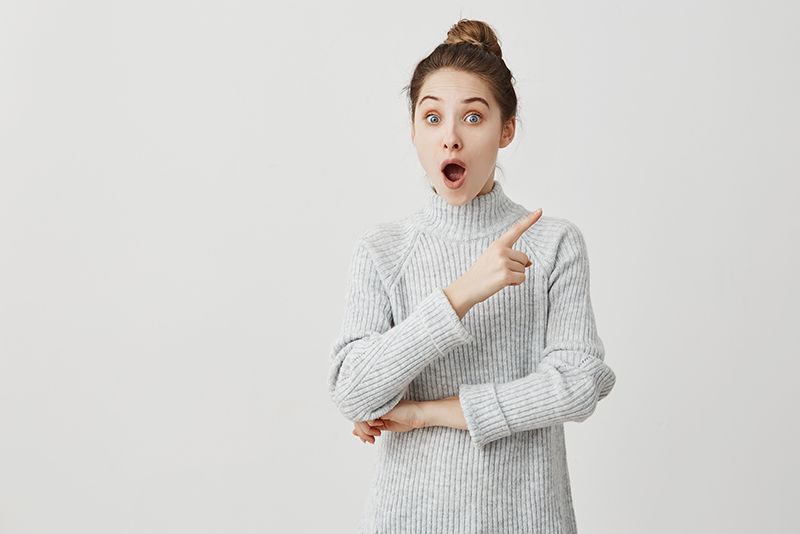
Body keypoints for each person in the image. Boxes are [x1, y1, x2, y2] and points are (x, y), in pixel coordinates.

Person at [328, 19, 616, 533]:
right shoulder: (382, 250)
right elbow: (353, 394)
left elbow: (577, 386)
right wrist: (461, 293)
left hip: (528, 519)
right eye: (433, 117)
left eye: (474, 117)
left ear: (506, 130)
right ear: (413, 130)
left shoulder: (553, 244)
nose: (451, 139)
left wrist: (426, 413)